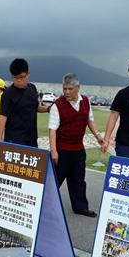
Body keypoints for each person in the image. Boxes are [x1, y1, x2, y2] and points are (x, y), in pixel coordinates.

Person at [49, 73, 102, 217]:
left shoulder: (85, 101)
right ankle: (43, 204)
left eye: (70, 89)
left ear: (78, 88)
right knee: (54, 180)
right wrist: (54, 151)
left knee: (78, 180)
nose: (66, 92)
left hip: (78, 149)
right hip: (62, 150)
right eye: (64, 89)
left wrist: (98, 136)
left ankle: (80, 207)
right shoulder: (57, 105)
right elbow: (52, 129)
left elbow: (90, 120)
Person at [0, 58, 51, 147]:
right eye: (15, 77)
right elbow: (2, 117)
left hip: (31, 139)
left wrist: (48, 108)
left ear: (28, 74)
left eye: (21, 77)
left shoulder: (32, 88)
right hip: (14, 140)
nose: (18, 80)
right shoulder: (7, 94)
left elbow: (35, 107)